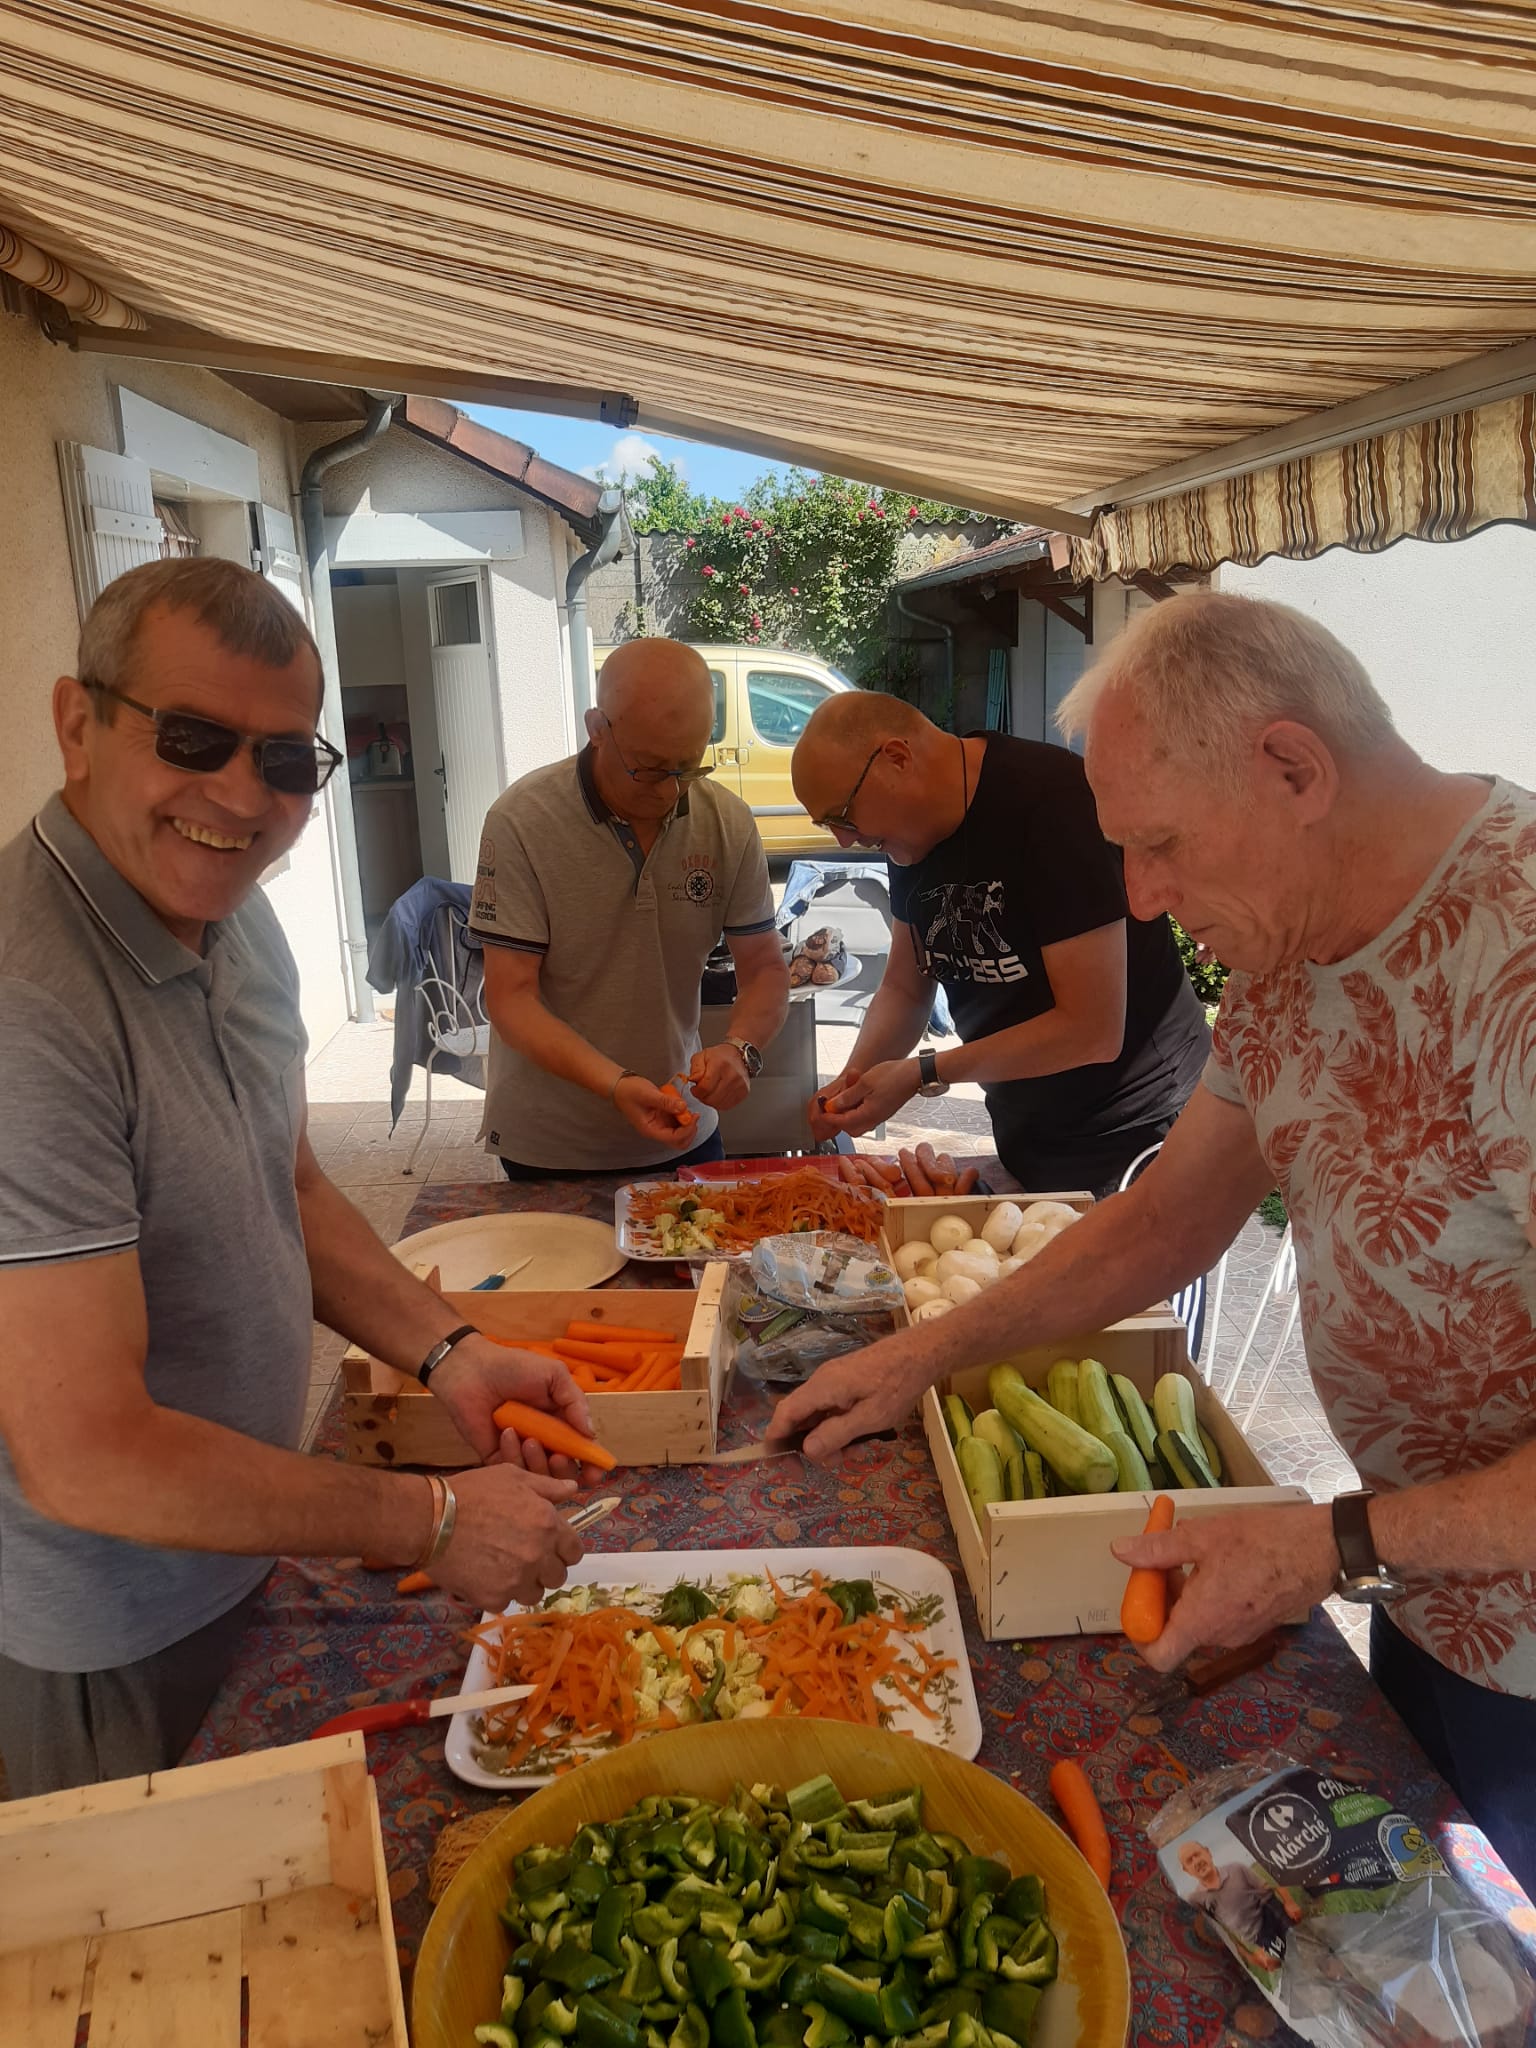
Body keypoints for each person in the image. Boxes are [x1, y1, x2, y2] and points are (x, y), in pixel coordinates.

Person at [770, 592, 1536, 1892]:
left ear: (1293, 767)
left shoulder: (1514, 950)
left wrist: (1333, 1543)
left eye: (1160, 843)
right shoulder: (1293, 956)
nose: (1140, 896)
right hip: (1440, 1596)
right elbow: (1171, 1215)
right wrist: (927, 1356)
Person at [0, 559, 595, 1798]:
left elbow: (296, 1184)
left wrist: (451, 1349)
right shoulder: (28, 1010)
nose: (238, 797)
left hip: (242, 1545)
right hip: (106, 1628)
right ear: (77, 722)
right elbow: (86, 1453)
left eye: (283, 761)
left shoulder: (232, 914)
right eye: (192, 738)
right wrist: (433, 1519)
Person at [791, 692, 1210, 1195]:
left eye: (843, 815)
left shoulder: (1051, 803)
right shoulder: (908, 833)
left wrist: (923, 1071)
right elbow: (906, 988)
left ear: (897, 759)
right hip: (1029, 1131)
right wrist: (856, 1079)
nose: (842, 839)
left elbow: (1092, 1028)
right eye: (827, 824)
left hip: (1139, 1130)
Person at [471, 639, 789, 1176]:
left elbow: (764, 968)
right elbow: (510, 998)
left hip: (686, 1131)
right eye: (648, 768)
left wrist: (741, 1048)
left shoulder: (727, 823)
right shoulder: (521, 821)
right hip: (550, 1144)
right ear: (597, 728)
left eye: (687, 768)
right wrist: (615, 1084)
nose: (669, 791)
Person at [1176, 1840, 1301, 1970]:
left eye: (1197, 1854)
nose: (1196, 1861)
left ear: (1207, 1852)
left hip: (1272, 1910)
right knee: (1293, 1962)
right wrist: (1250, 1957)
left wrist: (1289, 1901)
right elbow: (1222, 1934)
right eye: (1189, 1861)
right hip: (1258, 1934)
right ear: (1186, 1870)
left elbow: (1268, 1883)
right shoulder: (1195, 1899)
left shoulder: (1236, 1868)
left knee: (1306, 1943)